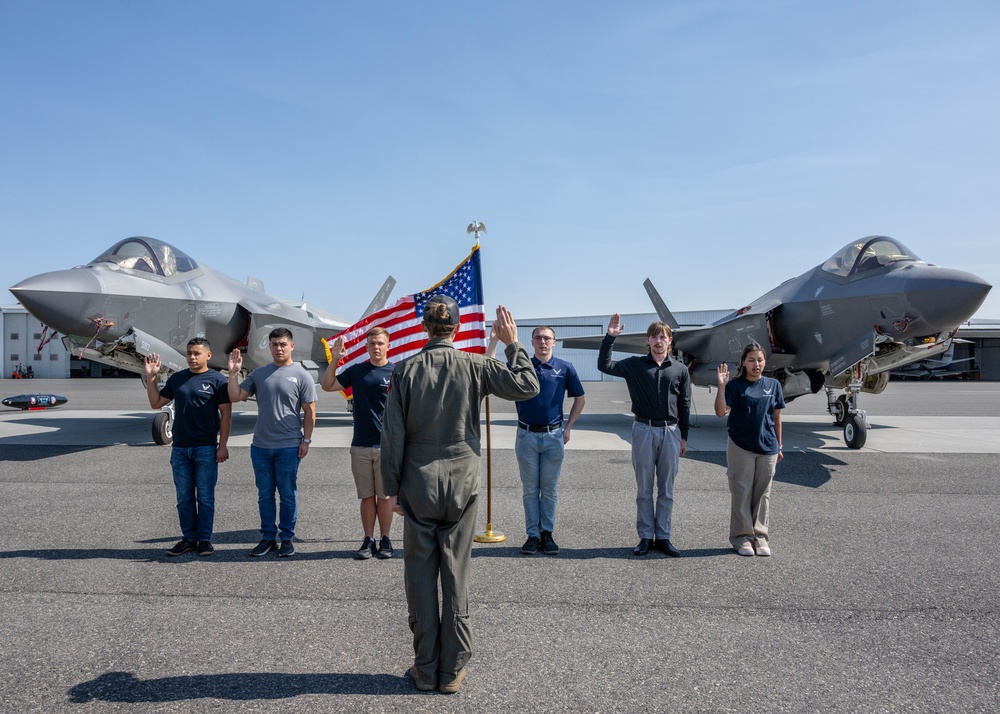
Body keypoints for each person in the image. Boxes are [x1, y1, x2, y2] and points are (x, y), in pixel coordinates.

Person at [382, 298, 539, 694]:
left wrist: (391, 489)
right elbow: (527, 385)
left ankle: (425, 667)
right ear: (454, 328)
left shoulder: (405, 371)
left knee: (420, 577)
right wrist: (512, 344)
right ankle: (451, 671)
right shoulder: (474, 365)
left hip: (417, 484)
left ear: (424, 327)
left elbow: (392, 436)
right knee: (456, 575)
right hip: (463, 484)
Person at [487, 325, 586, 556]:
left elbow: (580, 399)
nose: (543, 342)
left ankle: (547, 534)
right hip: (526, 436)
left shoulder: (565, 368)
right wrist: (493, 342)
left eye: (547, 338)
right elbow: (489, 370)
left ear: (554, 342)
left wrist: (568, 427)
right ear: (531, 342)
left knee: (549, 489)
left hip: (554, 436)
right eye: (538, 338)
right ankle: (532, 535)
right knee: (530, 490)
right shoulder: (522, 366)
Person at [598, 314, 691, 558]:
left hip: (671, 432)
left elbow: (685, 403)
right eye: (654, 337)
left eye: (663, 337)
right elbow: (604, 366)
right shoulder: (635, 365)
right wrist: (610, 337)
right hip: (643, 430)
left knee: (667, 489)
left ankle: (664, 537)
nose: (659, 341)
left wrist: (684, 436)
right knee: (644, 488)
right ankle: (645, 537)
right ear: (647, 341)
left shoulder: (680, 370)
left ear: (670, 341)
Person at [228, 328, 317, 558]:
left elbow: (310, 412)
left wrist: (306, 440)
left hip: (288, 445)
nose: (279, 348)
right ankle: (268, 537)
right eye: (275, 344)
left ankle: (287, 538)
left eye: (283, 344)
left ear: (292, 346)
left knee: (287, 494)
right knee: (264, 494)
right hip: (260, 446)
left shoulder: (302, 375)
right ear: (270, 346)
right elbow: (235, 396)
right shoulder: (259, 374)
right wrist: (232, 374)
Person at [144, 338, 232, 557]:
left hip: (206, 448)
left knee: (205, 497)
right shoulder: (178, 378)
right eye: (189, 353)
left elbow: (226, 414)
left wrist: (222, 446)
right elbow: (156, 403)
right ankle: (189, 539)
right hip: (180, 449)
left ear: (208, 356)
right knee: (184, 497)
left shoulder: (217, 380)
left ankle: (205, 540)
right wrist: (151, 378)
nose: (192, 357)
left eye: (197, 353)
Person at [322, 327, 396, 560]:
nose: (376, 347)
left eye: (380, 343)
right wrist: (335, 360)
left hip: (387, 445)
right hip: (361, 444)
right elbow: (328, 385)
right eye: (372, 343)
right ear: (366, 346)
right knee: (366, 496)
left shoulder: (397, 372)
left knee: (384, 497)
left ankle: (385, 539)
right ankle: (368, 539)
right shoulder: (357, 371)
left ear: (388, 346)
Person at [714, 343, 785, 557]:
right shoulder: (735, 386)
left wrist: (779, 445)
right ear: (743, 362)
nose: (756, 364)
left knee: (763, 494)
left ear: (765, 362)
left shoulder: (773, 385)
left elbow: (777, 417)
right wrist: (721, 386)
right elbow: (720, 412)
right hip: (740, 446)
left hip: (768, 447)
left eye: (760, 360)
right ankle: (742, 538)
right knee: (742, 492)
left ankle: (760, 537)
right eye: (752, 360)